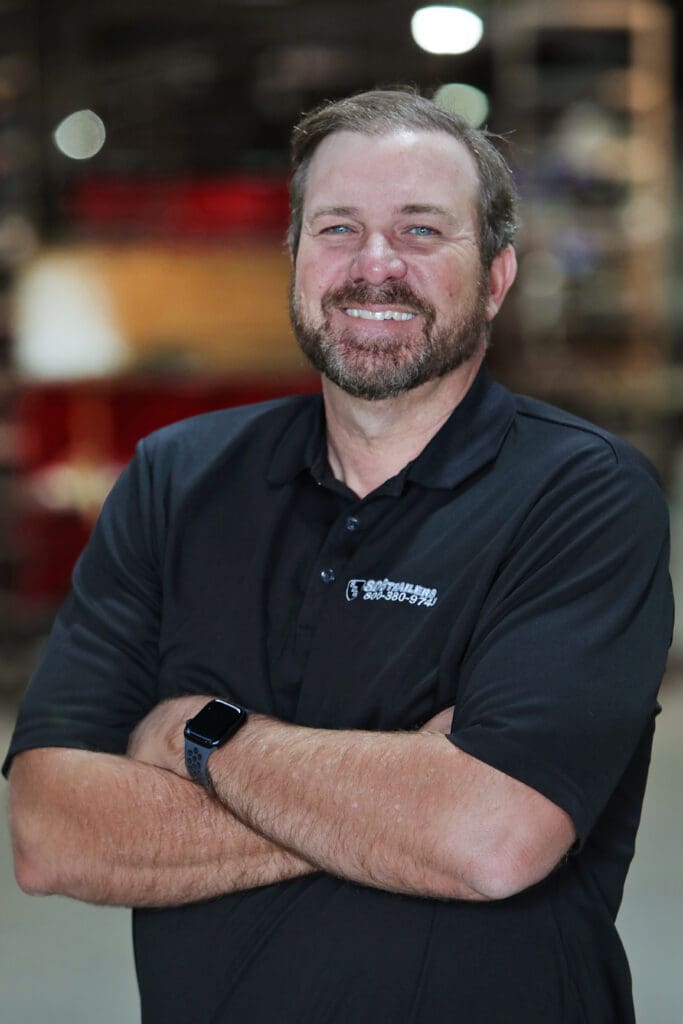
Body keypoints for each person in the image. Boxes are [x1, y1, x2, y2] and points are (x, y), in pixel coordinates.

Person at [4, 89, 673, 1024]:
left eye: (421, 230)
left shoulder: (582, 494)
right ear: (294, 259)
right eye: (337, 228)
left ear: (495, 277)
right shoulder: (176, 481)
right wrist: (402, 800)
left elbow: (489, 840)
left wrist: (203, 735)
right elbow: (50, 834)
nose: (374, 264)